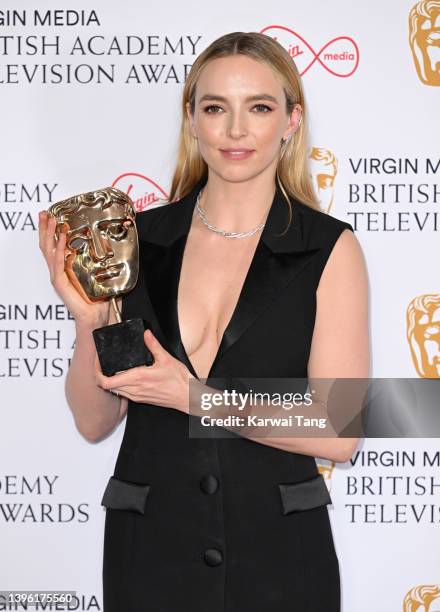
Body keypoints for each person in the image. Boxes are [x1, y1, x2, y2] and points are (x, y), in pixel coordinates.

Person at [38, 31, 369, 612]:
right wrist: (90, 319)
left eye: (259, 107)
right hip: (150, 555)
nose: (236, 130)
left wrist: (196, 397)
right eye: (215, 108)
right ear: (192, 121)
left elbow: (339, 429)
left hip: (281, 559)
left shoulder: (328, 248)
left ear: (291, 121)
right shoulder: (135, 241)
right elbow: (94, 421)